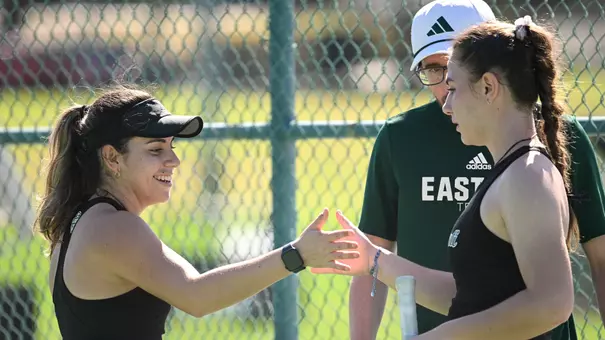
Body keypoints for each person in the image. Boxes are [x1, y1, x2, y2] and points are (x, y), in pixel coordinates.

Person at [346, 0, 605, 339]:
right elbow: (474, 298)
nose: (446, 100)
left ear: (488, 84)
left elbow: (552, 303)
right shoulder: (510, 166)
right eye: (432, 71)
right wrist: (376, 260)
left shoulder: (527, 173)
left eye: (453, 82)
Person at [34, 85, 360, 339]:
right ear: (112, 158)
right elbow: (197, 295)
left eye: (171, 147)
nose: (173, 161)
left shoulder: (83, 221)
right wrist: (296, 255)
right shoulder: (114, 228)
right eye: (155, 150)